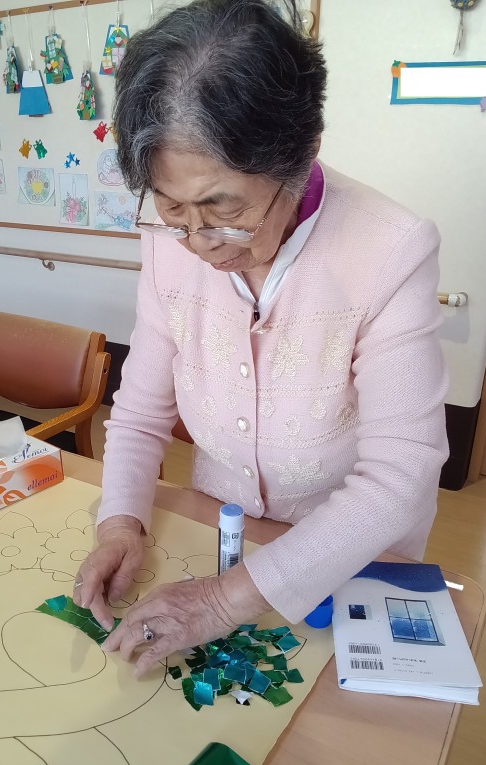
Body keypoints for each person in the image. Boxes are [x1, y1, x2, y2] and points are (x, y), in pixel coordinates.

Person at [73, 0, 448, 676]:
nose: (197, 243)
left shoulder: (391, 250)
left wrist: (222, 603)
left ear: (302, 153)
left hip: (347, 566)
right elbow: (139, 413)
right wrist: (120, 521)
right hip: (217, 538)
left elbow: (400, 475)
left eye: (224, 209)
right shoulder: (167, 247)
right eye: (171, 208)